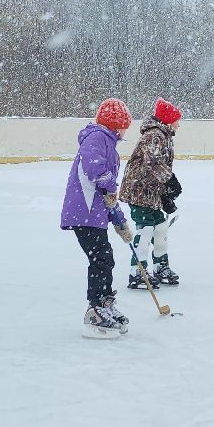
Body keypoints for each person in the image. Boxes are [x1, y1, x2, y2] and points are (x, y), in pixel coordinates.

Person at [61, 98, 134, 336]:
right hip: (84, 212)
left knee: (105, 257)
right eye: (125, 124)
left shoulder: (109, 145)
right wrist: (110, 186)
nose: (126, 129)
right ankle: (95, 310)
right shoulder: (96, 137)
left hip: (94, 214)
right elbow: (96, 171)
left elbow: (108, 194)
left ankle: (104, 303)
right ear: (116, 124)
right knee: (101, 258)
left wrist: (120, 221)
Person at [122, 98, 183, 289]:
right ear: (167, 120)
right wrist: (170, 180)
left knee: (161, 227)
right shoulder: (154, 135)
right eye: (176, 120)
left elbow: (157, 169)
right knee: (147, 228)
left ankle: (160, 267)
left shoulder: (164, 135)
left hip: (151, 192)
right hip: (139, 190)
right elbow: (154, 163)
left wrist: (164, 195)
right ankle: (137, 272)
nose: (178, 125)